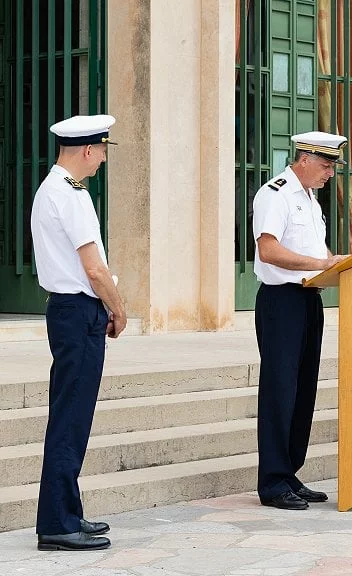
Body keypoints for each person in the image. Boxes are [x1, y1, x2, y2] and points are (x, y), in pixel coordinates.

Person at [31, 115, 126, 551]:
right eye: (103, 150)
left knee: (71, 416)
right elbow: (93, 268)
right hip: (78, 311)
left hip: (69, 311)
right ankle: (57, 523)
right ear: (88, 150)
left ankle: (66, 510)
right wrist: (118, 308)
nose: (104, 158)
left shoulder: (54, 190)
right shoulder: (70, 196)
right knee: (70, 419)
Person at [252, 131, 349, 510]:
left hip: (310, 298)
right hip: (281, 302)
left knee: (303, 389)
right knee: (280, 390)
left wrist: (337, 262)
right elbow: (269, 249)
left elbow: (315, 250)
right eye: (325, 166)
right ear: (304, 158)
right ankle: (273, 482)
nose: (329, 174)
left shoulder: (310, 200)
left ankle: (290, 472)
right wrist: (322, 264)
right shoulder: (275, 194)